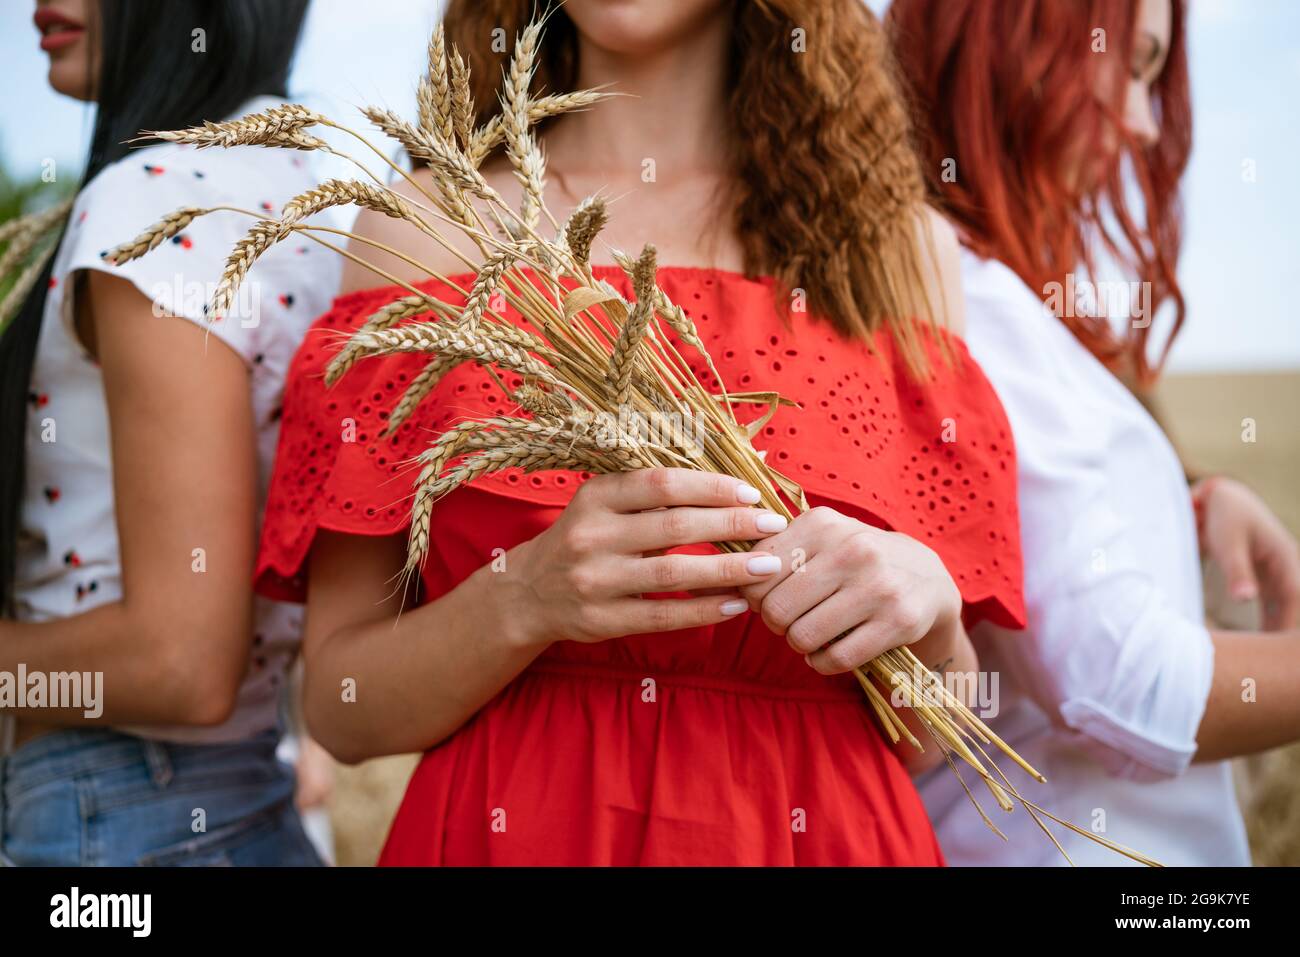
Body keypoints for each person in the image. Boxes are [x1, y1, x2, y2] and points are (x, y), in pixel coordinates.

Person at [254, 0, 1028, 865]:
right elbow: (341, 705)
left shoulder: (894, 245)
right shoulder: (429, 227)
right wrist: (526, 597)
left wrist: (928, 611)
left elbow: (939, 740)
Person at [890, 0, 1300, 864]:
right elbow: (1125, 691)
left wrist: (1188, 507)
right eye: (1129, 63)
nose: (1145, 124)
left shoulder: (985, 296)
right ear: (1008, 46)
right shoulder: (973, 304)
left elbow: (1030, 566)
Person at [0, 0, 338, 865]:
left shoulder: (154, 201)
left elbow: (180, 661)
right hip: (230, 799)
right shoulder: (304, 194)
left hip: (117, 814)